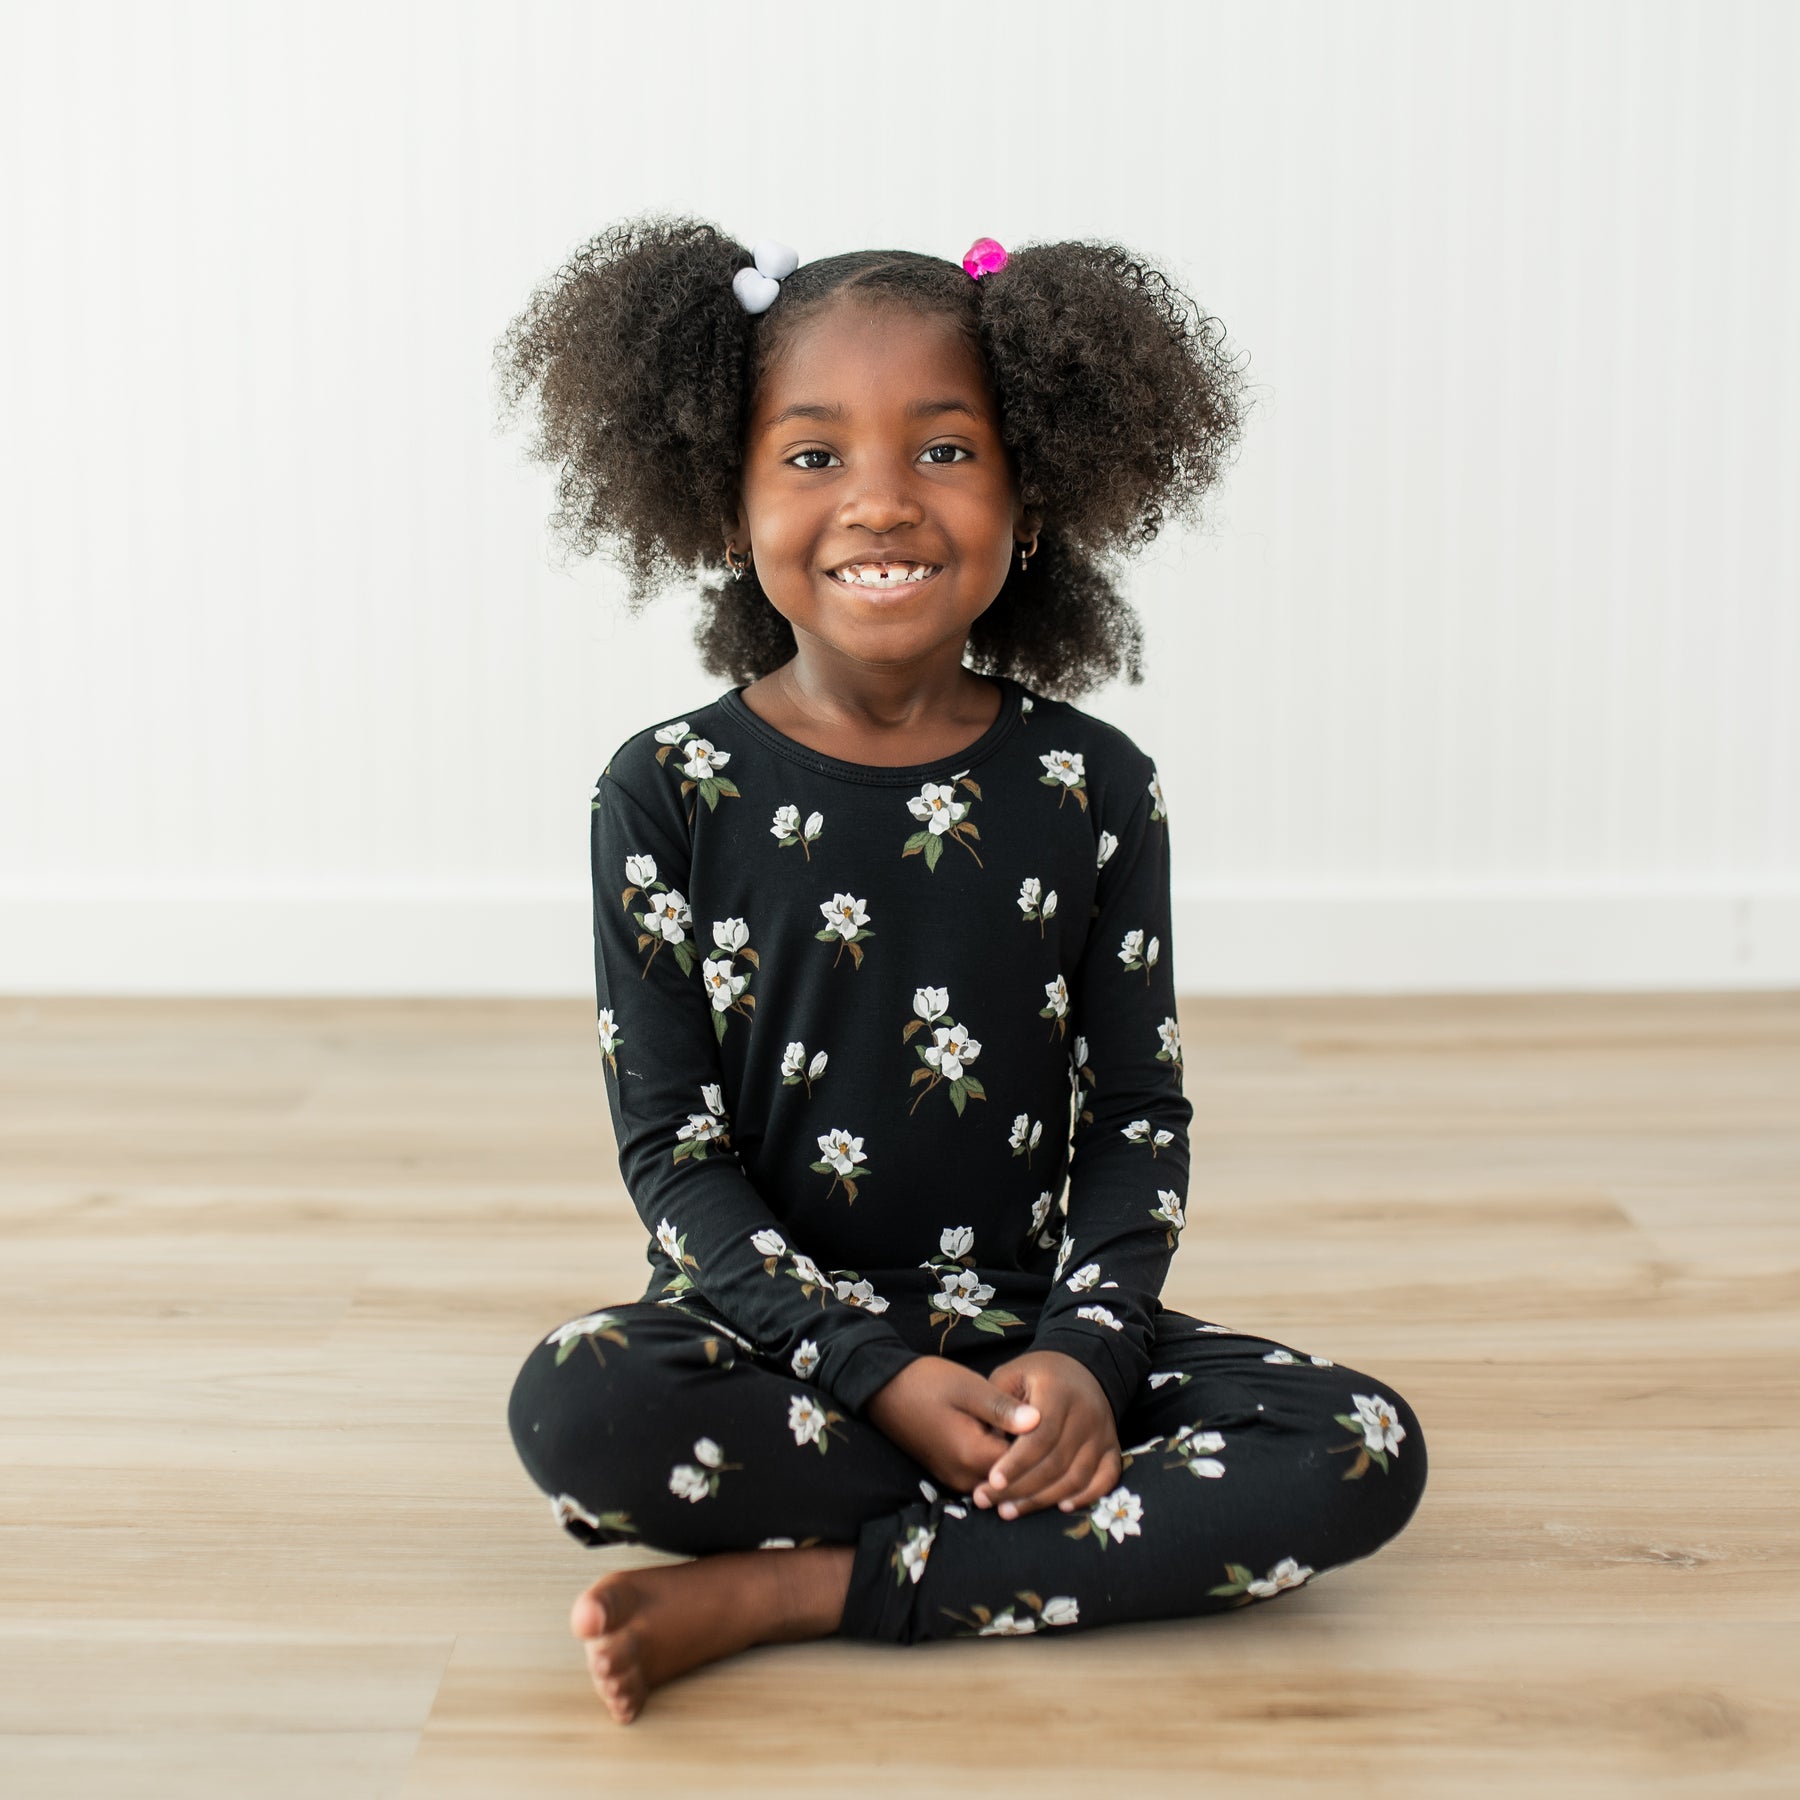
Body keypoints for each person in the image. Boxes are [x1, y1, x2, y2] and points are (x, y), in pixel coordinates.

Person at [495, 218, 1428, 1723]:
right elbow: (674, 1154)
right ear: (724, 502)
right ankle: (1029, 1529)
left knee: (1361, 1445)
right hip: (778, 1338)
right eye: (811, 456)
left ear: (1033, 495)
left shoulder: (1095, 783)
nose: (879, 499)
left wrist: (1082, 1356)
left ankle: (804, 1582)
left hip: (1026, 1330)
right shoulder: (660, 789)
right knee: (581, 1397)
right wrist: (871, 1372)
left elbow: (1136, 1112)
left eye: (945, 450)